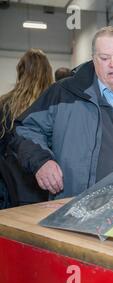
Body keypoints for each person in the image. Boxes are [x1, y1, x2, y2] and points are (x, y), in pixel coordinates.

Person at [12, 26, 113, 200]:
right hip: (75, 209)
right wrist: (41, 161)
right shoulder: (64, 94)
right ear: (93, 59)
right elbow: (24, 130)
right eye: (104, 58)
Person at [0, 49, 53, 208]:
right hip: (46, 186)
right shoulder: (53, 106)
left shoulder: (4, 104)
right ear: (48, 72)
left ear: (20, 71)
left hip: (11, 189)